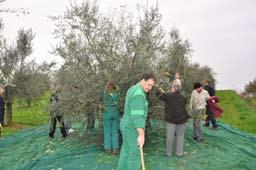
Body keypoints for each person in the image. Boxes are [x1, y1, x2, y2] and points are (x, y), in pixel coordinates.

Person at [117, 73, 156, 170]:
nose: (150, 88)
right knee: (135, 154)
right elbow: (137, 117)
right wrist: (141, 135)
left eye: (152, 86)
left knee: (126, 151)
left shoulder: (132, 88)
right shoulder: (139, 94)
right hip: (132, 127)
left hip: (125, 125)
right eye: (149, 85)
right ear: (143, 80)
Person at [157, 84, 188, 157]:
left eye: (171, 88)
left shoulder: (168, 96)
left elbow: (159, 96)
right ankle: (179, 153)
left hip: (170, 120)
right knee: (180, 137)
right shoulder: (184, 98)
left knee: (169, 137)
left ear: (174, 89)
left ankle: (168, 154)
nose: (171, 89)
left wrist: (158, 90)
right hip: (181, 120)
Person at [101, 82, 120, 155]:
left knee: (107, 131)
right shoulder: (116, 94)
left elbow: (102, 94)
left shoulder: (105, 94)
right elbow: (118, 90)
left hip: (107, 113)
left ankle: (108, 149)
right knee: (115, 132)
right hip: (115, 112)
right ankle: (115, 149)